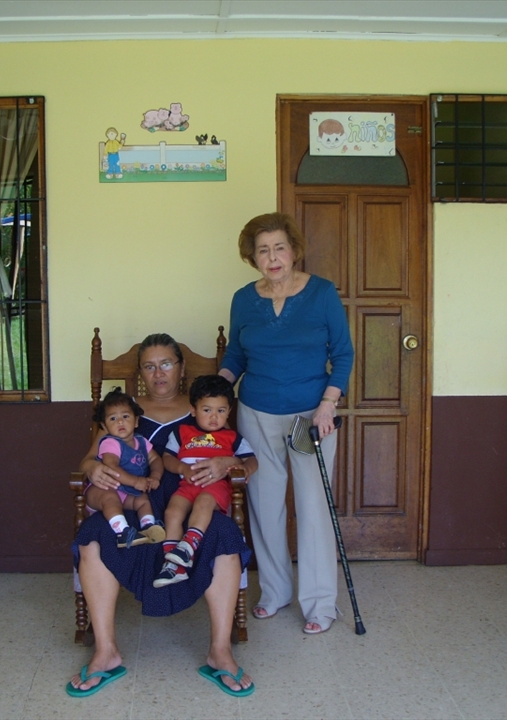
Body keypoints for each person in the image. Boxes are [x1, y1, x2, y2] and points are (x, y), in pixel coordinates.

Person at [68, 334, 255, 698]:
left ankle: (219, 651)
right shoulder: (122, 410)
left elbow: (240, 454)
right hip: (136, 501)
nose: (159, 373)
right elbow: (90, 457)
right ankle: (106, 651)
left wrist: (227, 462)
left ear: (181, 369)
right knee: (93, 537)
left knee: (225, 537)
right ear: (140, 373)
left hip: (194, 499)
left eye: (166, 364)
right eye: (149, 367)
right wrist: (92, 469)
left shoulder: (205, 407)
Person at [219, 212, 354, 636]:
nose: (272, 257)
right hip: (256, 413)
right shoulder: (244, 299)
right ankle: (275, 592)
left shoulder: (322, 293)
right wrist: (217, 389)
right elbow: (236, 355)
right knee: (264, 504)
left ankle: (320, 603)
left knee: (314, 507)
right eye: (263, 250)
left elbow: (343, 354)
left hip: (309, 417)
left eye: (279, 248)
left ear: (294, 251)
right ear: (252, 257)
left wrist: (328, 404)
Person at [154, 375, 257, 587]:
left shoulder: (232, 437)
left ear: (229, 411)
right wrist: (182, 468)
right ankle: (173, 566)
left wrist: (245, 469)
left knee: (203, 502)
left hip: (215, 487)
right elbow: (167, 458)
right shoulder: (182, 432)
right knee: (172, 512)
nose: (214, 417)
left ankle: (187, 547)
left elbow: (252, 459)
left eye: (221, 411)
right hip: (188, 484)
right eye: (207, 410)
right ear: (193, 410)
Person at [87, 388, 166, 548]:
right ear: (105, 426)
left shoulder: (141, 441)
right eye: (113, 418)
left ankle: (148, 526)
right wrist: (136, 481)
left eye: (125, 416)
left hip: (126, 491)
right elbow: (112, 466)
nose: (120, 422)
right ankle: (122, 532)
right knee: (110, 498)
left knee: (142, 500)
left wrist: (155, 476)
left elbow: (155, 459)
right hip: (103, 490)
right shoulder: (110, 443)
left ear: (136, 421)